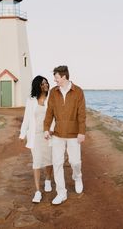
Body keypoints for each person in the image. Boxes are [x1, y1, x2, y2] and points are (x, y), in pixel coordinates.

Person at [44, 65, 86, 205]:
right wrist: (46, 128)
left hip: (74, 135)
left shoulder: (78, 91)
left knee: (75, 162)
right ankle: (61, 193)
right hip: (57, 134)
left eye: (56, 78)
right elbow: (49, 112)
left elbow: (82, 114)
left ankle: (77, 176)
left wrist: (81, 132)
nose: (55, 80)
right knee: (57, 163)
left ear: (64, 76)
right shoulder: (53, 92)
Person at [19, 75, 54, 203]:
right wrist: (22, 135)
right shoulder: (31, 100)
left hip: (49, 135)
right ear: (37, 85)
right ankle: (38, 191)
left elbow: (54, 117)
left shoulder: (51, 99)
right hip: (35, 135)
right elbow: (27, 119)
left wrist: (52, 129)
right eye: (43, 83)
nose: (46, 85)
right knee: (37, 162)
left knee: (49, 160)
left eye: (47, 83)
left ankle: (48, 179)